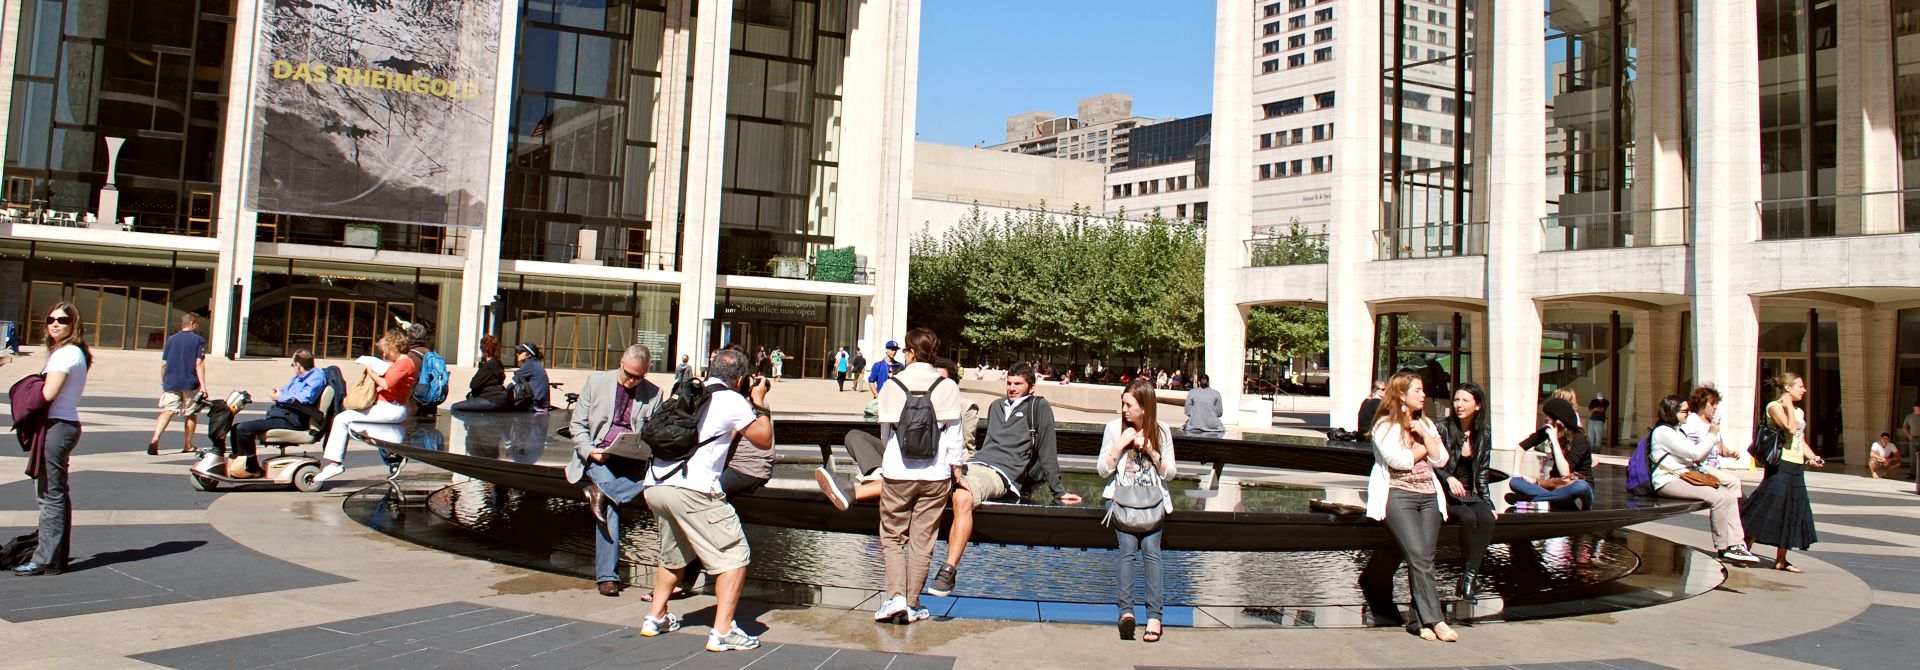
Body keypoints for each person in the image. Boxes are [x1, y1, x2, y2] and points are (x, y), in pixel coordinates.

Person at [816, 361, 1080, 596]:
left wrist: (1058, 491)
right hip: (974, 464)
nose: (1012, 388)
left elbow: (1047, 450)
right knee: (922, 476)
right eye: (1009, 383)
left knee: (963, 496)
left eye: (1018, 384)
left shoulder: (1039, 407)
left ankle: (949, 570)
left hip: (1001, 474)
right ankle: (850, 491)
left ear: (1031, 387)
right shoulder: (998, 406)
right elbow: (986, 445)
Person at [640, 348, 773, 652]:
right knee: (734, 556)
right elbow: (763, 440)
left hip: (656, 484)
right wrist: (759, 402)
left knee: (674, 553)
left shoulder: (686, 392)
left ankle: (656, 616)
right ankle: (723, 630)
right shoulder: (731, 400)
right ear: (741, 379)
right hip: (694, 488)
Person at [864, 328, 965, 625]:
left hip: (898, 471)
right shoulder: (947, 386)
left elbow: (885, 434)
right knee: (923, 540)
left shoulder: (893, 385)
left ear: (909, 351)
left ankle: (894, 598)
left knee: (893, 536)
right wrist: (956, 470)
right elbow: (955, 436)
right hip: (936, 475)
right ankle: (912, 603)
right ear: (934, 352)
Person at [1364, 371, 1457, 642]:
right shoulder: (1385, 426)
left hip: (1429, 496)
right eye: (1418, 390)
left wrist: (1425, 438)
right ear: (1402, 394)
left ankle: (1418, 622)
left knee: (1425, 559)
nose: (1423, 395)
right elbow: (1399, 461)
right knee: (1417, 555)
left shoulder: (1425, 422)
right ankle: (1436, 619)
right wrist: (1427, 445)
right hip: (1399, 496)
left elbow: (1442, 460)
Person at [567, 345, 664, 597]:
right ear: (621, 362)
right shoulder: (596, 382)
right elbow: (576, 425)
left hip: (633, 459)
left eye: (638, 377)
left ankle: (601, 492)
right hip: (600, 455)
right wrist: (590, 451)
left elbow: (654, 434)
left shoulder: (655, 394)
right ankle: (608, 577)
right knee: (610, 508)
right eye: (628, 374)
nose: (632, 381)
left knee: (658, 477)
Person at [1099, 378, 1177, 642]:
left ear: (1145, 407)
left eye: (1129, 405)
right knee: (1127, 553)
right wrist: (1119, 446)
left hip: (1153, 502)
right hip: (1122, 502)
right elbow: (1101, 470)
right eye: (1123, 403)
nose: (1124, 410)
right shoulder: (1113, 429)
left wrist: (1153, 452)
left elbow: (1171, 473)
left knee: (1152, 553)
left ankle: (1154, 617)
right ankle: (1126, 613)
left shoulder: (1162, 431)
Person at [16, 301, 92, 576]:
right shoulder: (73, 353)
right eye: (50, 319)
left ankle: (45, 559)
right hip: (64, 425)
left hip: (57, 426)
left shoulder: (66, 354)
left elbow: (47, 394)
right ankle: (54, 555)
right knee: (56, 493)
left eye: (62, 320)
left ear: (74, 325)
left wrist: (25, 389)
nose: (55, 324)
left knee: (50, 496)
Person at [1651, 393, 1762, 564]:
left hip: (1685, 475)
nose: (1687, 414)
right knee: (1718, 497)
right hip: (1668, 480)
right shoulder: (1663, 432)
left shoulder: (1677, 430)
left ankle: (1736, 544)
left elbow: (1695, 456)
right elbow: (1695, 453)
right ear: (1672, 412)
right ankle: (1724, 545)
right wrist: (1711, 434)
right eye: (1684, 411)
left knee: (1729, 494)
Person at [1742, 371, 1824, 573]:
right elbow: (1789, 429)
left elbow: (1799, 439)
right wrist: (1787, 407)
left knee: (1792, 509)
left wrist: (1811, 456)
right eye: (1800, 386)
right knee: (1767, 506)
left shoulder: (1799, 411)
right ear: (1788, 388)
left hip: (1796, 465)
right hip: (1780, 465)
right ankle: (1744, 549)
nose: (1804, 390)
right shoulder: (1774, 407)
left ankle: (1782, 559)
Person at [315, 329, 418, 483]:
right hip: (389, 407)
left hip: (390, 408)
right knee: (357, 425)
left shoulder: (404, 363)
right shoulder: (402, 362)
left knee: (342, 419)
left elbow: (387, 384)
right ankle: (394, 459)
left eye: (386, 351)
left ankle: (335, 463)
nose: (385, 355)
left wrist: (371, 371)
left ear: (393, 347)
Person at [215, 349, 328, 478]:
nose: (293, 368)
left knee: (243, 429)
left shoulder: (316, 377)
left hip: (294, 419)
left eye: (293, 365)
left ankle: (251, 469)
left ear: (298, 365)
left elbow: (305, 399)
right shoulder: (299, 377)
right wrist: (278, 393)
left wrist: (281, 397)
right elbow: (287, 390)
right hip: (283, 414)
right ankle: (241, 466)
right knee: (236, 428)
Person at [1434, 382, 1497, 599]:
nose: (1459, 405)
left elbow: (1483, 471)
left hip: (1467, 491)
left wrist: (1487, 502)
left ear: (1477, 406)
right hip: (1443, 489)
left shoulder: (1484, 432)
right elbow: (1431, 462)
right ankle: (1471, 581)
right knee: (1468, 518)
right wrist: (1448, 477)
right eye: (1457, 400)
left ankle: (1468, 577)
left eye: (1465, 401)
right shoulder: (1442, 427)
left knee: (1487, 518)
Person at [1506, 397, 1596, 511]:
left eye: (1548, 419)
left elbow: (1565, 472)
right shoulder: (1548, 430)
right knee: (1515, 482)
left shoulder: (1580, 438)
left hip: (1577, 488)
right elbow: (1521, 447)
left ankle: (1533, 500)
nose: (1545, 422)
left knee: (1581, 486)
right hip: (1558, 487)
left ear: (1558, 422)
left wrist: (1554, 440)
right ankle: (1551, 502)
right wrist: (1516, 473)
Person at [148, 313, 207, 456]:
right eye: (197, 323)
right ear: (192, 323)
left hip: (171, 381)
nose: (198, 326)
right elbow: (198, 363)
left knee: (168, 410)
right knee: (191, 413)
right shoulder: (198, 340)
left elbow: (164, 363)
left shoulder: (171, 339)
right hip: (190, 382)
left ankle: (155, 438)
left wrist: (164, 380)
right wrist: (203, 386)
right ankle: (188, 444)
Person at [1680, 386, 1745, 493]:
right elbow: (1690, 450)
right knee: (1734, 483)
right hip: (1701, 468)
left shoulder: (1712, 422)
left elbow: (1720, 448)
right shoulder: (1691, 422)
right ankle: (1734, 509)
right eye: (1712, 404)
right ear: (1701, 403)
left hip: (1715, 468)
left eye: (1716, 404)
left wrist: (1729, 453)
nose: (1715, 407)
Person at [450, 335, 512, 412]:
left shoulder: (487, 365)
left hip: (490, 399)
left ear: (484, 349)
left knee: (455, 407)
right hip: (501, 398)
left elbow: (473, 384)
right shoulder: (498, 363)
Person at [508, 343, 550, 412]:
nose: (517, 354)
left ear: (528, 354)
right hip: (542, 404)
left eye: (520, 352)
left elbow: (513, 382)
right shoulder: (535, 363)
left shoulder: (529, 364)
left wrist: (503, 392)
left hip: (536, 405)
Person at [1902, 402, 1920, 482]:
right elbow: (1905, 427)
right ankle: (1913, 473)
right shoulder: (1910, 416)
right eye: (1915, 408)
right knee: (1913, 456)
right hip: (1913, 439)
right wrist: (1909, 435)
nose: (1916, 410)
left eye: (1918, 408)